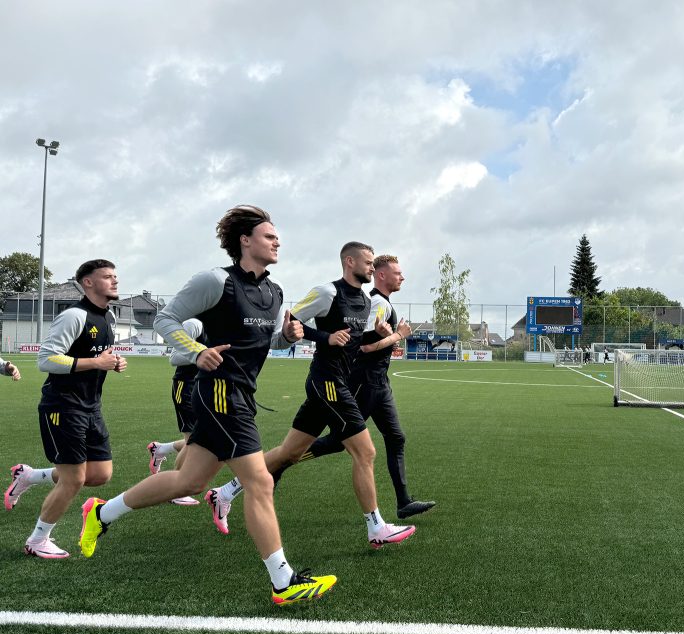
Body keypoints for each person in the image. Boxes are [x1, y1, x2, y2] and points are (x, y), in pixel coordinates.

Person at [78, 205, 336, 606]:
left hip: (241, 395)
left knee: (190, 482)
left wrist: (288, 336)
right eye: (269, 235)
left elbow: (264, 344)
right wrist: (196, 350)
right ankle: (284, 582)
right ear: (245, 241)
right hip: (218, 392)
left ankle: (100, 514)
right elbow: (165, 319)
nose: (277, 241)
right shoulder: (215, 281)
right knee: (260, 482)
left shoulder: (275, 291)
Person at [206, 242, 416, 549]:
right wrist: (325, 336)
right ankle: (376, 527)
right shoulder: (328, 293)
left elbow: (359, 340)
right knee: (365, 452)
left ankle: (224, 492)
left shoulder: (364, 300)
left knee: (289, 453)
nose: (372, 267)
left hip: (336, 382)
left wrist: (384, 333)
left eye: (373, 263)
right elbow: (292, 321)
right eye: (368, 262)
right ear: (349, 261)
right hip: (327, 381)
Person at [270, 254, 435, 519]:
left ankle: (403, 502)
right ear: (380, 275)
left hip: (380, 384)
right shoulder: (376, 303)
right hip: (362, 382)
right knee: (341, 443)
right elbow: (363, 346)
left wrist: (386, 335)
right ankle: (278, 465)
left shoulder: (374, 303)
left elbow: (366, 337)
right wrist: (396, 335)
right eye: (397, 273)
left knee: (395, 437)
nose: (402, 277)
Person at [5, 259, 127, 559]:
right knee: (74, 478)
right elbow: (46, 360)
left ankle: (30, 477)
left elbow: (98, 356)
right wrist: (95, 363)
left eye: (115, 276)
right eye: (107, 277)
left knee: (99, 474)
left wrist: (112, 363)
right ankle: (37, 540)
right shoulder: (74, 316)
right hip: (63, 406)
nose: (114, 281)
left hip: (91, 407)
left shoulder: (107, 317)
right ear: (87, 282)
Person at [144, 318, 207, 506]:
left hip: (205, 387)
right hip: (186, 386)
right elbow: (174, 357)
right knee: (193, 440)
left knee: (205, 437)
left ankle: (161, 449)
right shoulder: (195, 323)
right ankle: (176, 489)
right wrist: (203, 352)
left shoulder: (220, 323)